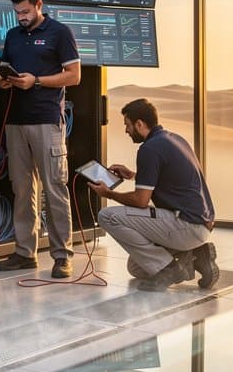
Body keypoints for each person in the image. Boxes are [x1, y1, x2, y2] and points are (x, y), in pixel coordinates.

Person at [0, 0, 81, 279]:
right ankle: (24, 253)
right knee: (22, 190)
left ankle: (62, 256)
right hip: (16, 122)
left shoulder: (60, 33)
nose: (21, 17)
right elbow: (5, 69)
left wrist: (38, 81)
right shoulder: (12, 36)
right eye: (17, 12)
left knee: (54, 188)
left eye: (26, 11)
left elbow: (74, 75)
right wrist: (4, 80)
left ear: (39, 4)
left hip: (46, 121)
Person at [87, 98, 218, 289]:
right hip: (201, 226)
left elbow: (141, 201)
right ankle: (195, 256)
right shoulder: (173, 139)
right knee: (136, 267)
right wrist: (133, 175)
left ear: (140, 124)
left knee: (106, 216)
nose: (126, 130)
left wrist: (108, 194)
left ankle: (169, 268)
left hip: (187, 225)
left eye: (128, 125)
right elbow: (169, 176)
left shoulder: (149, 149)